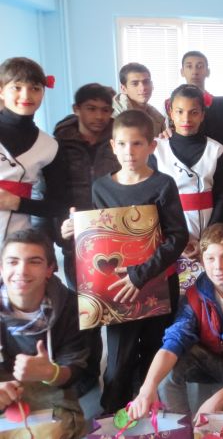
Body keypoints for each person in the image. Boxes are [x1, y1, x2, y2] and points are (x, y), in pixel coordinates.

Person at [62, 109, 188, 412]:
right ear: (112, 146)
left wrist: (139, 275)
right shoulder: (101, 187)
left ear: (151, 146)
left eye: (137, 144)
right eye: (122, 144)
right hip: (117, 292)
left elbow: (177, 237)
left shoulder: (163, 184)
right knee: (118, 362)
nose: (129, 152)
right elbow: (98, 238)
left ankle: (152, 421)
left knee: (153, 357)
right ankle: (113, 419)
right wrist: (73, 231)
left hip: (156, 286)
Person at [127, 223, 223, 422]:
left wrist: (219, 399)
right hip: (208, 361)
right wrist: (147, 387)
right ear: (202, 260)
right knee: (164, 375)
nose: (218, 266)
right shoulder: (194, 294)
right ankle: (182, 429)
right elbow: (174, 339)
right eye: (210, 258)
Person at [53, 82, 120, 396]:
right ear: (76, 109)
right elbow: (51, 192)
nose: (99, 116)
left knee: (118, 308)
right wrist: (60, 228)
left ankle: (122, 372)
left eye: (105, 110)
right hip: (75, 237)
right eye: (91, 109)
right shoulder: (59, 145)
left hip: (114, 235)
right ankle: (88, 372)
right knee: (86, 310)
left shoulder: (117, 141)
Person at [0, 229, 88, 438]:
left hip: (50, 393)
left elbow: (76, 369)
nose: (22, 271)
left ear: (50, 269)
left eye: (34, 262)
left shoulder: (73, 307)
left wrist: (50, 373)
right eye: (13, 262)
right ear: (1, 268)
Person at [151, 85, 223, 260]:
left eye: (194, 112)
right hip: (168, 235)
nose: (186, 118)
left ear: (202, 115)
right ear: (171, 113)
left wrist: (209, 236)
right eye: (179, 112)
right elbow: (151, 198)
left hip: (208, 232)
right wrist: (173, 239)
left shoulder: (216, 150)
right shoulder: (157, 150)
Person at [0, 57, 67, 242]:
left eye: (35, 88)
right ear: (1, 91)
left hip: (18, 242)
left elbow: (58, 205)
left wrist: (17, 203)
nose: (26, 95)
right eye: (17, 87)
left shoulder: (49, 146)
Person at [113, 62, 166, 137]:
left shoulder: (157, 118)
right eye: (135, 84)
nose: (143, 88)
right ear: (124, 89)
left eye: (146, 82)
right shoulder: (113, 115)